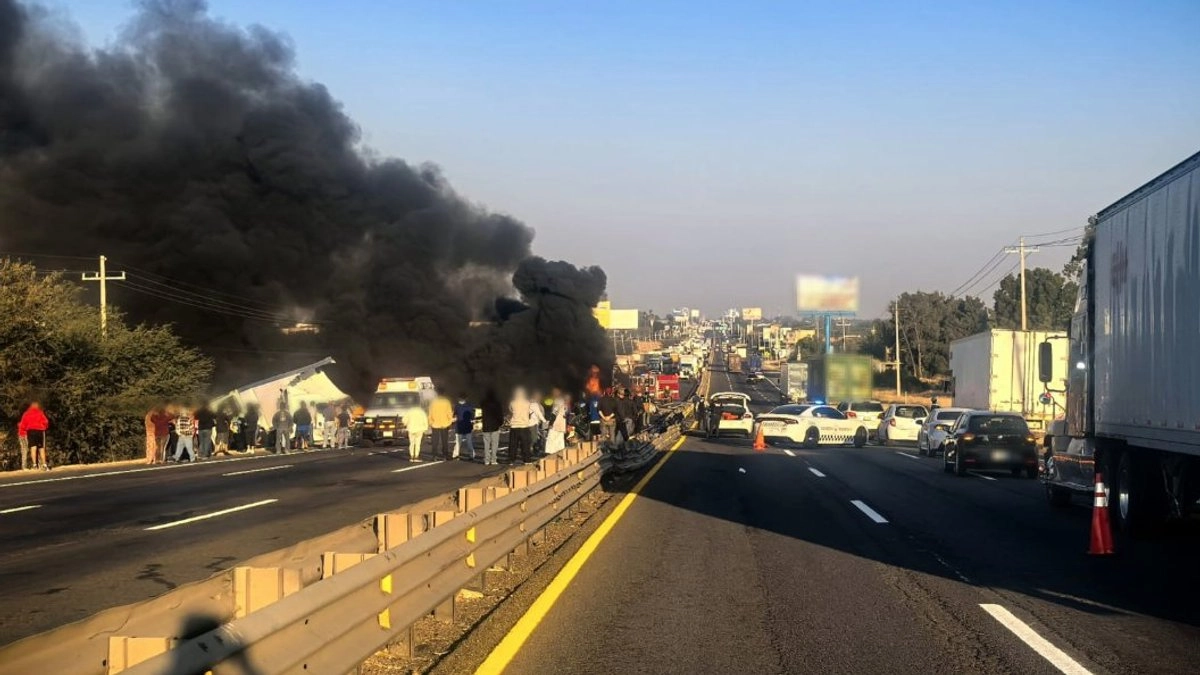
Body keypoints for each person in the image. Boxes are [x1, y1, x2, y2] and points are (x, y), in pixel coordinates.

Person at [19, 402, 49, 471]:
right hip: (40, 431)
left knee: (33, 448)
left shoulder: (26, 413)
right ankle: (44, 465)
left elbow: (23, 424)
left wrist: (24, 430)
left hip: (31, 431)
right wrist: (44, 427)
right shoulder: (40, 412)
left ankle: (34, 465)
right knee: (41, 448)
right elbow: (46, 421)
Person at [508, 387, 535, 464]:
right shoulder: (527, 402)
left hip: (514, 426)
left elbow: (511, 411)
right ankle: (526, 460)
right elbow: (530, 412)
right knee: (525, 445)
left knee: (513, 444)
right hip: (524, 426)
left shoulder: (512, 402)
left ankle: (511, 460)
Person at [480, 390, 504, 466]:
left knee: (486, 444)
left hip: (486, 426)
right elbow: (500, 415)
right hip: (495, 426)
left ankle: (486, 460)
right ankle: (493, 460)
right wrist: (500, 423)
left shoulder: (483, 403)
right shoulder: (497, 403)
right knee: (494, 444)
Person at [428, 393, 454, 461]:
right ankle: (445, 456)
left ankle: (434, 456)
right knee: (444, 441)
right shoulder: (446, 402)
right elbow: (449, 413)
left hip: (435, 424)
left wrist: (431, 422)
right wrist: (449, 423)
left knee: (435, 441)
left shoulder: (433, 402)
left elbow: (430, 413)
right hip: (444, 424)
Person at [453, 395, 476, 461]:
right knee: (468, 442)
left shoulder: (457, 406)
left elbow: (454, 414)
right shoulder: (469, 406)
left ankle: (456, 455)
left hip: (460, 426)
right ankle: (471, 455)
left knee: (458, 442)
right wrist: (472, 422)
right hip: (467, 426)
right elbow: (473, 416)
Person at [546, 390, 568, 454]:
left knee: (551, 439)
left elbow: (554, 413)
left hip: (555, 424)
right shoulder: (564, 404)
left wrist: (551, 423)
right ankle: (560, 453)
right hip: (562, 424)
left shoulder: (557, 402)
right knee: (560, 440)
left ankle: (551, 454)